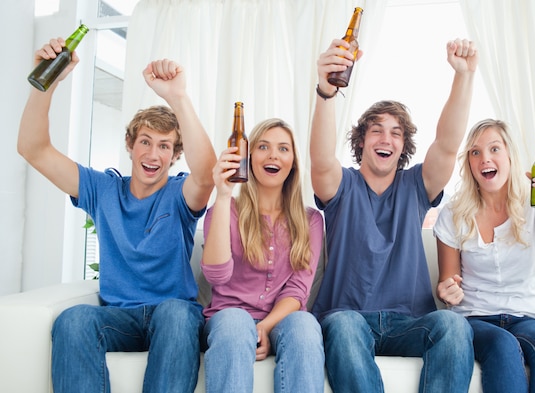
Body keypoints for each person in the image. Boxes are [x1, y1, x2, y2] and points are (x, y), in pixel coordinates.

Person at [18, 37, 217, 393]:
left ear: (174, 156)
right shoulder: (102, 190)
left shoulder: (180, 193)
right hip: (119, 318)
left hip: (172, 315)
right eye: (145, 141)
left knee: (175, 316)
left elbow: (207, 173)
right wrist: (47, 82)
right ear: (130, 145)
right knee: (74, 319)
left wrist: (178, 97)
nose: (153, 153)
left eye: (164, 145)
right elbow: (33, 149)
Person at [309, 37, 479, 392]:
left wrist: (464, 76)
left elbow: (447, 145)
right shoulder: (342, 185)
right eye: (377, 131)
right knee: (340, 325)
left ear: (403, 146)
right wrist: (326, 93)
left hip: (410, 322)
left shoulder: (416, 186)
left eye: (395, 133)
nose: (386, 139)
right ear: (361, 142)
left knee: (455, 327)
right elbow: (321, 159)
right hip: (349, 320)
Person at [434, 119, 535, 393]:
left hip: (527, 317)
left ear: (509, 156)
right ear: (469, 163)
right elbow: (449, 283)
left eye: (494, 149)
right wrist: (448, 291)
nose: (485, 159)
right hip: (475, 319)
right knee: (502, 344)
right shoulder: (453, 214)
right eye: (475, 152)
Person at [201, 118, 325, 393]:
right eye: (263, 147)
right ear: (248, 156)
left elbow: (298, 290)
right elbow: (216, 276)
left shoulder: (311, 220)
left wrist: (265, 328)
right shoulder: (224, 211)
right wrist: (222, 195)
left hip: (282, 319)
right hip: (229, 318)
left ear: (293, 161)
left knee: (305, 325)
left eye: (283, 149)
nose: (273, 155)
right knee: (235, 323)